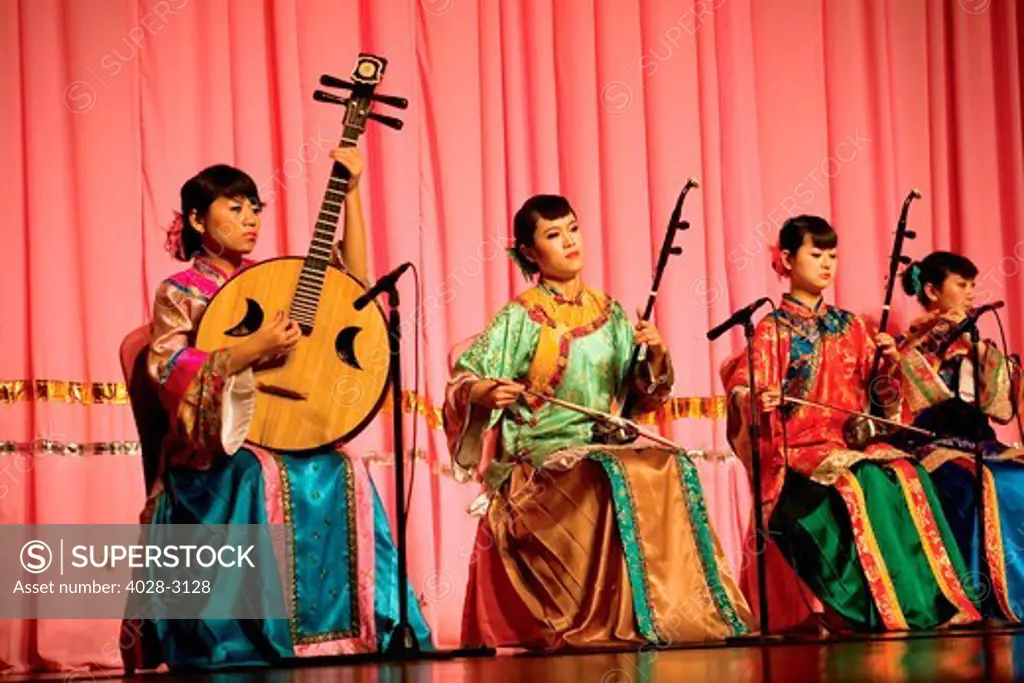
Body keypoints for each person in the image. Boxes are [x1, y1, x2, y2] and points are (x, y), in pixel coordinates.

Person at [127, 148, 430, 670]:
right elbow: (167, 367)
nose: (250, 220)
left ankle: (356, 631)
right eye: (235, 208)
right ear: (198, 220)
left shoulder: (275, 280)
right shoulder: (179, 291)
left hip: (286, 427)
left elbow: (354, 288)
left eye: (255, 208)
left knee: (347, 467)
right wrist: (250, 348)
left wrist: (351, 192)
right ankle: (256, 638)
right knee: (256, 473)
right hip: (214, 449)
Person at [444, 194, 753, 649]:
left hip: (602, 443)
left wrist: (657, 355)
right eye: (553, 235)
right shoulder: (521, 315)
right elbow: (463, 378)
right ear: (530, 253)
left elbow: (642, 399)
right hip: (538, 461)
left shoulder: (610, 313)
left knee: (673, 465)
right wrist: (484, 392)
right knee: (611, 472)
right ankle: (613, 618)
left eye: (572, 228)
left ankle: (681, 614)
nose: (569, 241)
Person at [720, 216, 980, 632]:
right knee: (867, 482)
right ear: (786, 260)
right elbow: (743, 384)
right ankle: (871, 607)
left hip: (850, 444)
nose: (827, 264)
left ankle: (926, 602)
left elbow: (881, 399)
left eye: (833, 255)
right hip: (800, 452)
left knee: (906, 472)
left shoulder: (853, 326)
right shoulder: (771, 329)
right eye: (816, 254)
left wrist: (890, 367)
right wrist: (756, 398)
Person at [895, 251, 1024, 621]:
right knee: (972, 486)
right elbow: (912, 401)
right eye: (961, 285)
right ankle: (970, 595)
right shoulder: (910, 345)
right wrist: (934, 345)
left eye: (972, 285)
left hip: (983, 442)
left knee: (1015, 478)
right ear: (932, 290)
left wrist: (977, 350)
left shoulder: (976, 342)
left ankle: (1012, 591)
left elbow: (1001, 407)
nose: (970, 293)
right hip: (934, 445)